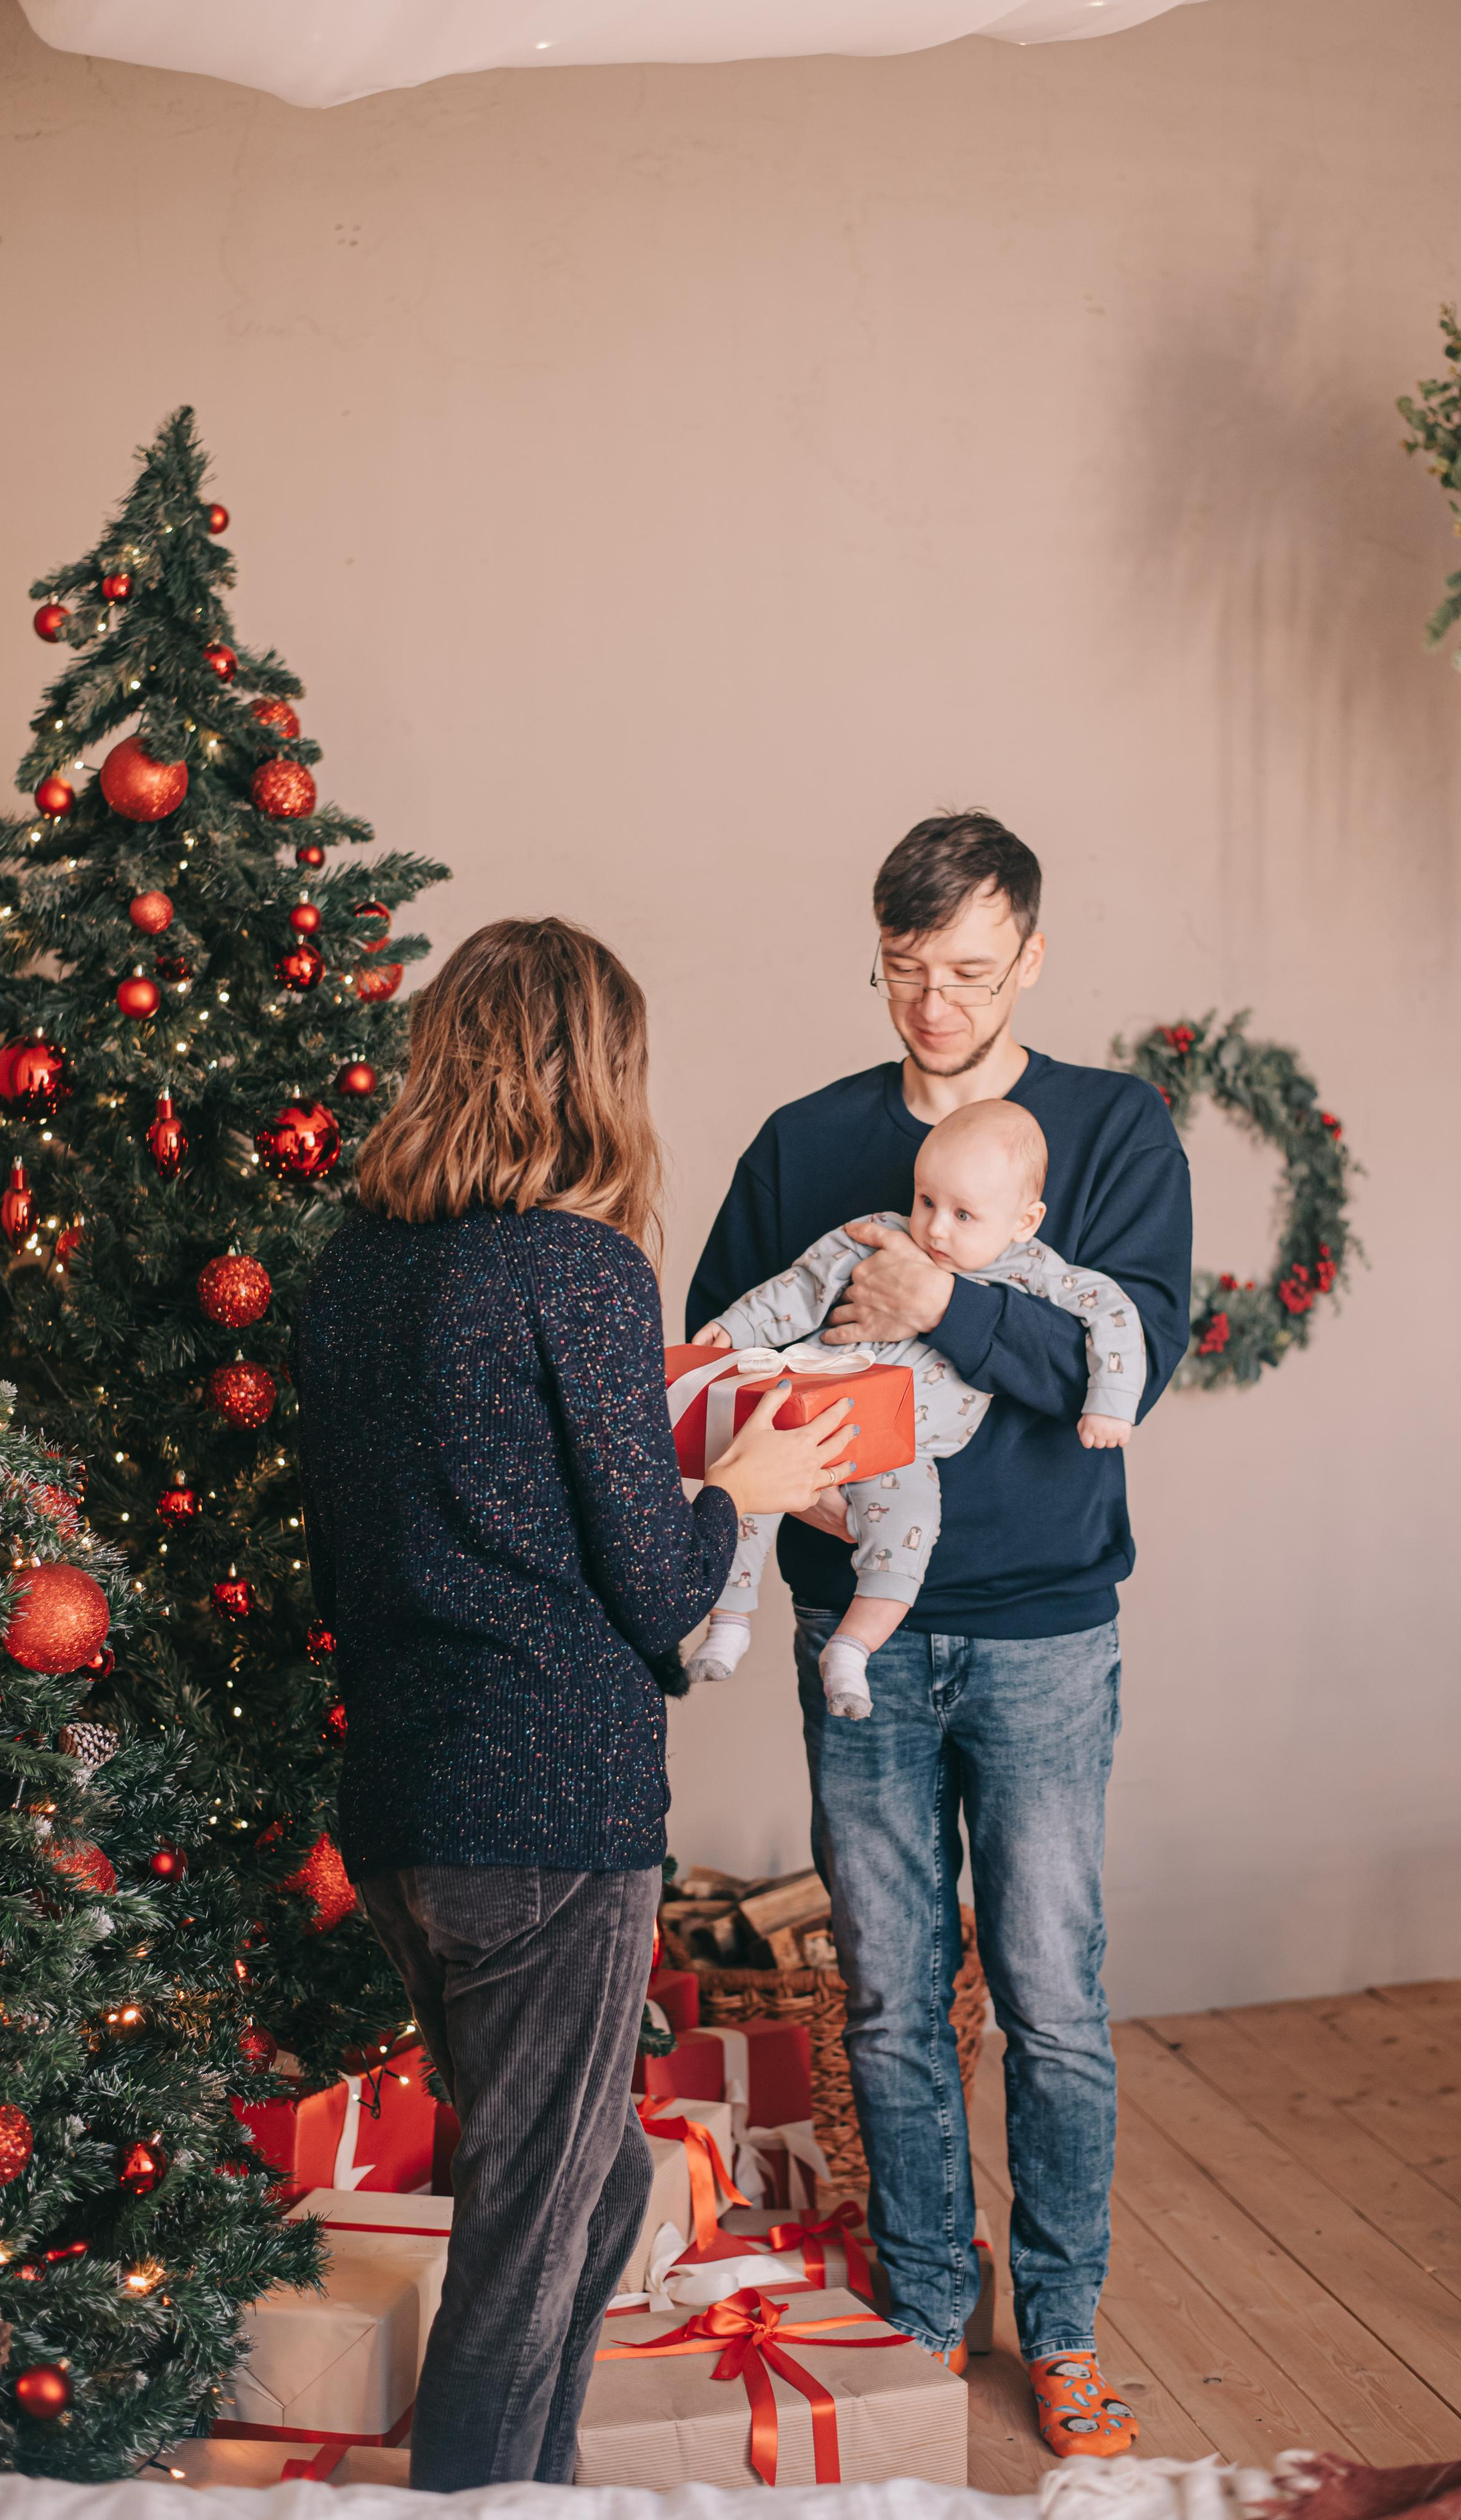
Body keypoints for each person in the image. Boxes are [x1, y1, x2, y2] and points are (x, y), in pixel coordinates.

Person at [296, 916, 858, 2493]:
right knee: (526, 2244)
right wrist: (742, 1485)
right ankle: (483, 2492)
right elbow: (662, 1589)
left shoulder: (347, 1273)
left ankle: (528, 2480)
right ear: (593, 1073)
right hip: (550, 1816)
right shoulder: (577, 1264)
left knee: (585, 2177)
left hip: (405, 1813)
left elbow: (339, 1572)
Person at [686, 812, 1192, 2461]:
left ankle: (1055, 2326)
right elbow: (709, 1358)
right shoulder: (803, 1141)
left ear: (1028, 958)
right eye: (904, 972)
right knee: (891, 1996)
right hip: (861, 1629)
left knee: (1049, 1990)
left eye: (967, 972)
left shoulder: (1110, 1132)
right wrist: (790, 1480)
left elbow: (1128, 1366)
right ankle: (918, 2303)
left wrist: (946, 1305)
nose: (932, 1003)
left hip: (1044, 1631)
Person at [687, 1097, 1146, 1720]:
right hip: (817, 1411)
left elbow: (1114, 1311)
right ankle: (730, 1619)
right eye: (927, 1201)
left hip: (905, 1446)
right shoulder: (881, 1233)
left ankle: (852, 1648)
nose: (935, 1230)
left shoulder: (1032, 1268)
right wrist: (732, 1328)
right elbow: (800, 1287)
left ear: (1024, 1220)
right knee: (743, 1490)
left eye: (964, 1215)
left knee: (910, 1526)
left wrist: (1110, 1404)